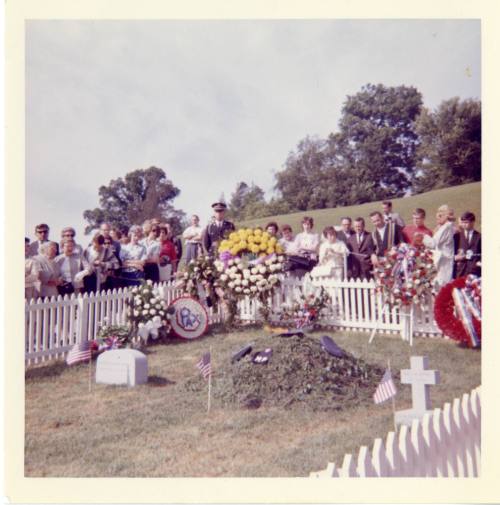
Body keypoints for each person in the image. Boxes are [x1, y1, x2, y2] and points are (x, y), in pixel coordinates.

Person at [423, 206, 455, 289]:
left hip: (443, 262)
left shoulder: (447, 227)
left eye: (440, 216)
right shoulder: (445, 227)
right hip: (442, 261)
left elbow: (432, 243)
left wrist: (422, 237)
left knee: (441, 286)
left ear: (446, 216)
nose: (438, 218)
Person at [454, 211, 481, 278]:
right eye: (462, 222)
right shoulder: (457, 236)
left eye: (466, 222)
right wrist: (455, 258)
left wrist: (477, 263)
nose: (464, 224)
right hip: (459, 272)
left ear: (472, 222)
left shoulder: (479, 237)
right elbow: (452, 253)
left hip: (474, 272)